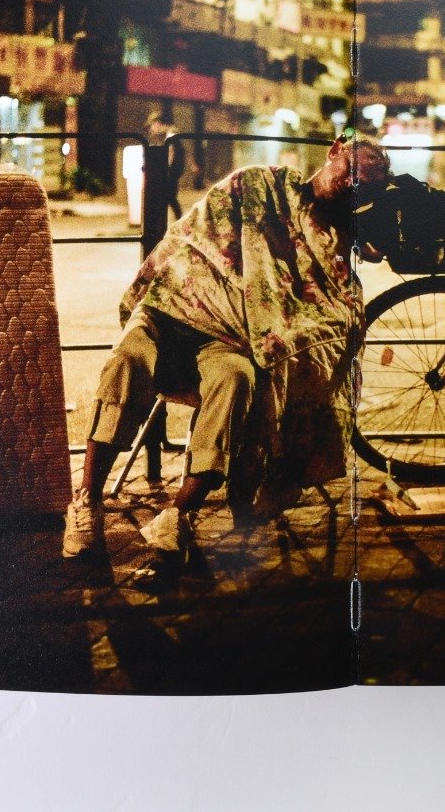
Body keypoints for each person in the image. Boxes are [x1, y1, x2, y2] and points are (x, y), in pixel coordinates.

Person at [63, 136, 392, 574]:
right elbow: (193, 234)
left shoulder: (334, 236)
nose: (351, 184)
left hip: (229, 341)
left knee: (237, 380)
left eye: (362, 185)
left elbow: (332, 301)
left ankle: (178, 516)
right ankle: (87, 503)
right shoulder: (258, 185)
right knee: (128, 361)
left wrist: (364, 225)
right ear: (334, 151)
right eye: (350, 171)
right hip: (171, 311)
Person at [144, 115, 187, 219]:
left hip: (172, 172)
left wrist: (166, 169)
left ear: (157, 123)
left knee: (169, 197)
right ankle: (176, 220)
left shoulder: (170, 134)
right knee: (169, 197)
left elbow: (171, 152)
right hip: (174, 171)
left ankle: (178, 220)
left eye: (151, 126)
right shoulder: (170, 132)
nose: (151, 129)